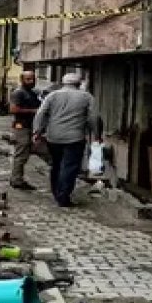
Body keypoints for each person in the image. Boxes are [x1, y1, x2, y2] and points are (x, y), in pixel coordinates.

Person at [32, 73, 99, 207]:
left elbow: (41, 113)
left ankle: (56, 192)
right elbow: (93, 118)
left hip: (54, 137)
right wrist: (96, 135)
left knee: (56, 164)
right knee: (69, 167)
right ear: (79, 84)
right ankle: (63, 196)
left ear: (63, 83)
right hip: (75, 138)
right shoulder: (86, 97)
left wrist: (37, 131)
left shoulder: (52, 96)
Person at [8, 70, 42, 190]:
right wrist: (33, 111)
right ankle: (16, 180)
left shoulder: (32, 93)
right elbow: (13, 109)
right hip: (21, 126)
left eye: (33, 79)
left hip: (30, 126)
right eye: (28, 79)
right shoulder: (18, 93)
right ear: (22, 80)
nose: (31, 81)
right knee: (21, 154)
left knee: (25, 154)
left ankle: (17, 178)